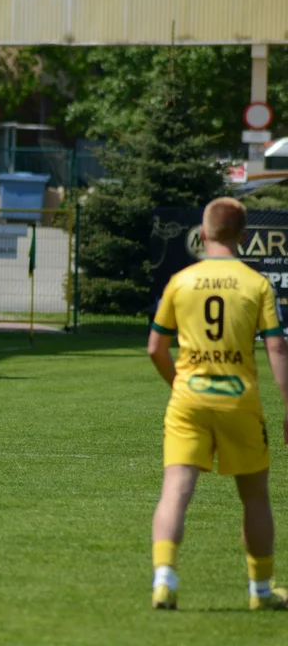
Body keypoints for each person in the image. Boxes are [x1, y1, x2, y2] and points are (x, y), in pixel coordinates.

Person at [148, 196, 288, 611]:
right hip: (239, 402)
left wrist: (178, 385)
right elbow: (277, 349)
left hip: (188, 400)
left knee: (175, 491)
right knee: (256, 497)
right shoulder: (256, 283)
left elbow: (155, 347)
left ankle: (163, 581)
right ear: (244, 236)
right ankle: (261, 593)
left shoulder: (181, 280)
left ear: (203, 233)